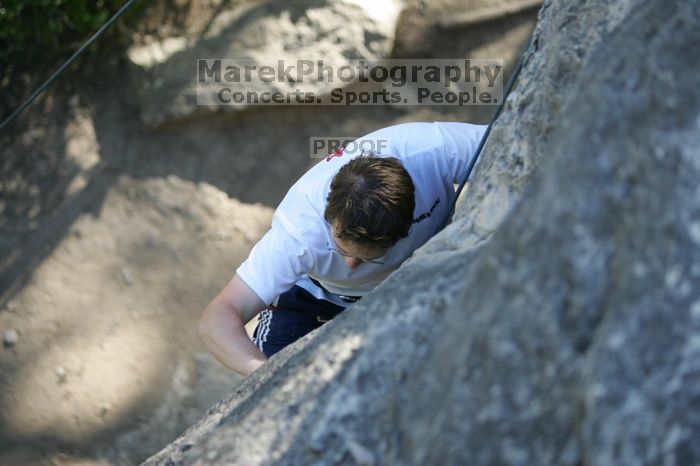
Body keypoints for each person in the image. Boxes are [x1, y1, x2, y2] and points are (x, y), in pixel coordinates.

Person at [199, 121, 487, 376]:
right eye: (340, 248)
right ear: (329, 214)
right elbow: (220, 316)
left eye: (364, 258)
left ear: (406, 228)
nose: (349, 265)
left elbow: (520, 138)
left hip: (409, 282)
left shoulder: (431, 151)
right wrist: (265, 376)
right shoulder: (299, 231)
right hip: (310, 299)